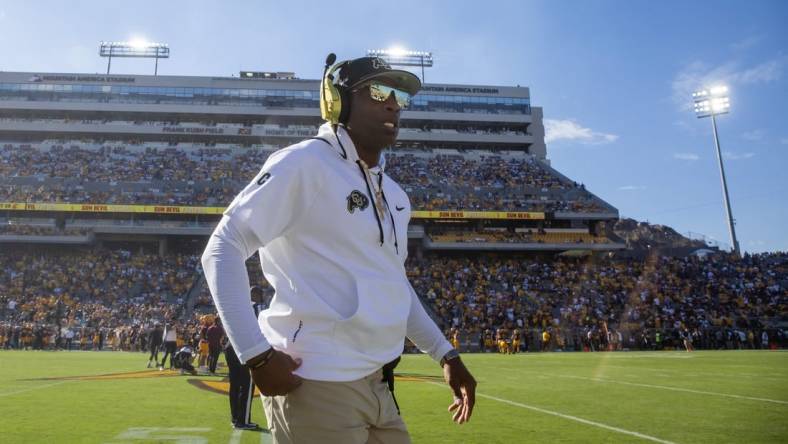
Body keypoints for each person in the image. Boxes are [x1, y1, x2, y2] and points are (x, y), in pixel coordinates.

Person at [202, 55, 476, 444]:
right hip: (315, 382)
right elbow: (222, 246)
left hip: (379, 383)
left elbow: (394, 286)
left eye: (400, 96)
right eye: (380, 91)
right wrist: (257, 356)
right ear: (337, 100)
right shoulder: (304, 163)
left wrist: (447, 355)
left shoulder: (395, 195)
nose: (394, 104)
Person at [225, 286, 267, 431]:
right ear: (256, 294)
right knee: (248, 385)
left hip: (230, 346)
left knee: (235, 385)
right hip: (245, 347)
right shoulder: (257, 307)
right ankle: (243, 420)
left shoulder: (237, 307)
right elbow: (263, 327)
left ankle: (235, 418)